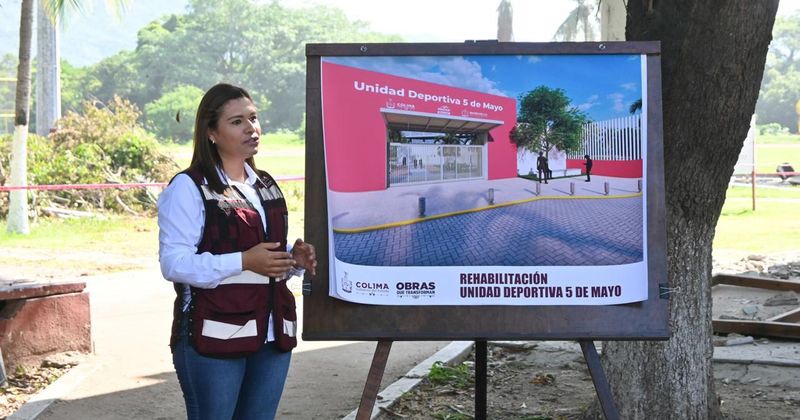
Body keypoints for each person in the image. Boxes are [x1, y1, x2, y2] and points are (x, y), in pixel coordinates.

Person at [158, 83, 316, 420]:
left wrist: (293, 258)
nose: (251, 128)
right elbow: (174, 264)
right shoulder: (189, 187)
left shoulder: (265, 184)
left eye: (253, 118)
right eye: (236, 121)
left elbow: (263, 252)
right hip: (214, 335)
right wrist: (245, 261)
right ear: (211, 132)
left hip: (273, 333)